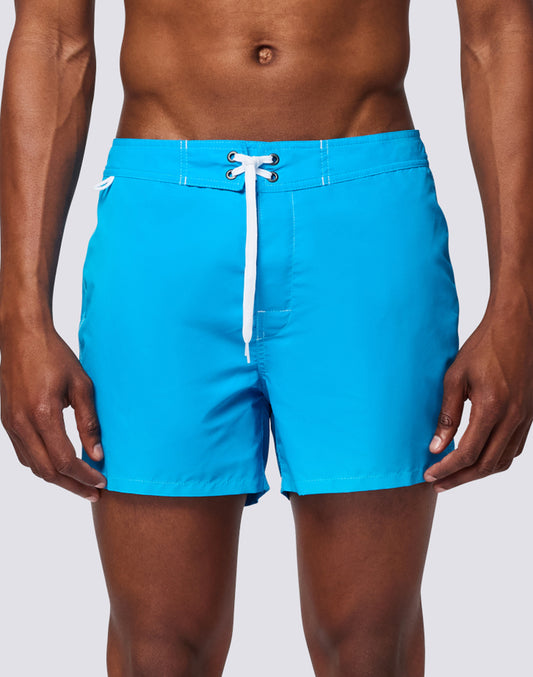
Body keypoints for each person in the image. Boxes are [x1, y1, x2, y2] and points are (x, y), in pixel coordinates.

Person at [0, 1, 532, 675]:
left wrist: (518, 303)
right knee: (157, 652)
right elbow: (53, 36)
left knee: (370, 650)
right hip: (162, 224)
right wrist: (20, 316)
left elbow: (499, 29)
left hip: (363, 220)